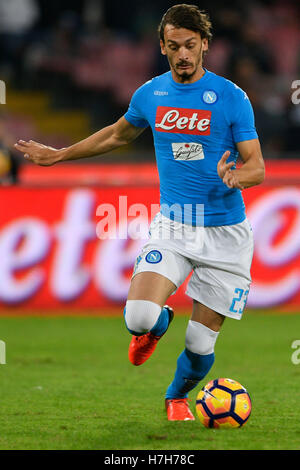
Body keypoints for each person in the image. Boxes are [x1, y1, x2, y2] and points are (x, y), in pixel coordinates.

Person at [14, 4, 265, 421]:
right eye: (173, 46)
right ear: (162, 47)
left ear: (204, 44)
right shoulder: (151, 94)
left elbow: (257, 164)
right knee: (139, 317)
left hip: (226, 235)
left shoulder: (231, 98)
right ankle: (157, 323)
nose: (182, 54)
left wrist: (237, 177)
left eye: (190, 45)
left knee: (201, 345)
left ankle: (176, 396)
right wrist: (60, 156)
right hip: (174, 224)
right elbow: (117, 134)